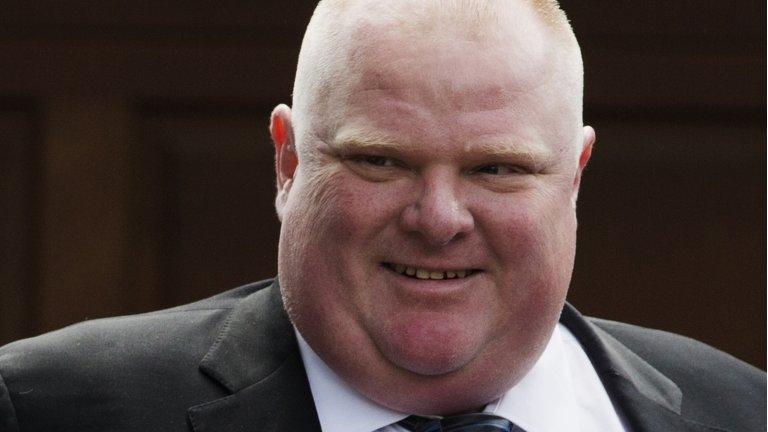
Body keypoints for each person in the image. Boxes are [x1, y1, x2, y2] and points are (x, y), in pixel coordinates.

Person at [0, 1, 763, 431]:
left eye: (497, 168)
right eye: (382, 161)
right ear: (288, 162)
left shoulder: (743, 414)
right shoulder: (46, 412)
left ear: (575, 177)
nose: (439, 218)